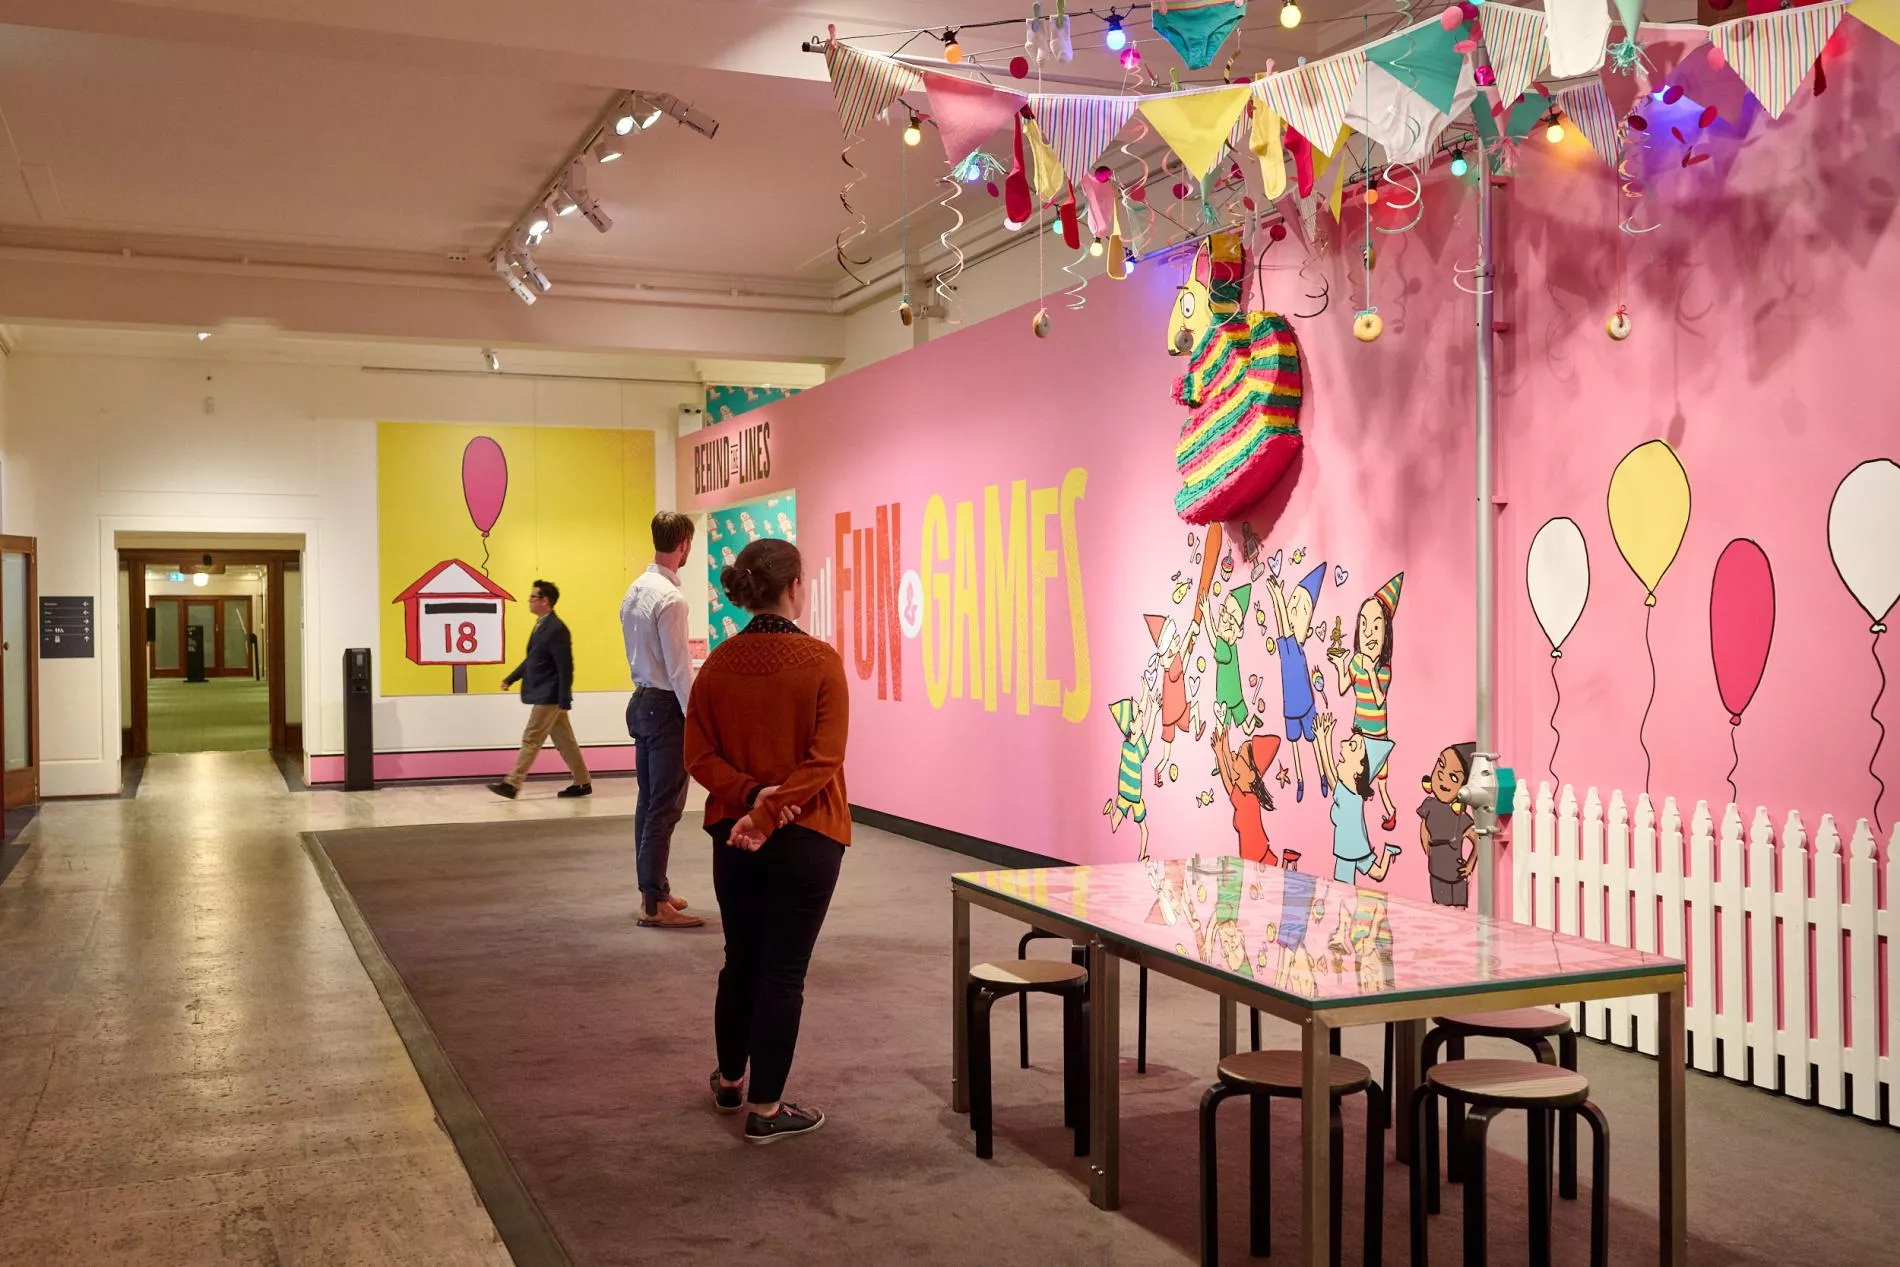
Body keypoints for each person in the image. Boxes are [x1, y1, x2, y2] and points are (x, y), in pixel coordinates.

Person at [685, 538, 850, 1145]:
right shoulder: (822, 661)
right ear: (795, 586)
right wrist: (775, 807)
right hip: (808, 834)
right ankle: (769, 1107)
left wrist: (751, 800)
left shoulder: (719, 664)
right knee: (783, 971)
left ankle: (730, 1081)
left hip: (734, 834)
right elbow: (825, 759)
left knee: (741, 960)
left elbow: (697, 754)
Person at [622, 512, 703, 928]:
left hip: (641, 702)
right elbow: (678, 669)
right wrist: (697, 718)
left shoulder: (636, 589)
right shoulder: (672, 599)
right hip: (665, 707)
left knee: (648, 802)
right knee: (664, 807)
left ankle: (654, 890)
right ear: (685, 543)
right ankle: (653, 903)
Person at [489, 579, 592, 800]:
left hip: (550, 695)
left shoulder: (556, 629)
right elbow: (532, 660)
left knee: (531, 738)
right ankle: (583, 782)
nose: (530, 600)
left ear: (545, 601)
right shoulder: (542, 626)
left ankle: (512, 783)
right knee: (566, 742)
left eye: (533, 597)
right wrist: (511, 678)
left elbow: (566, 665)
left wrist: (564, 698)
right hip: (549, 694)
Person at [1313, 711, 1401, 886]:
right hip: (1357, 843)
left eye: (1352, 746)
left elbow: (1330, 774)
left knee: (1341, 886)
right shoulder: (1352, 793)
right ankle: (1388, 852)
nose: (1343, 744)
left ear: (1360, 769)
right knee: (1376, 873)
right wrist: (1324, 738)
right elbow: (1332, 772)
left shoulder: (1348, 795)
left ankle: (1343, 911)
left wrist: (1323, 739)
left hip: (1348, 849)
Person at [1418, 742, 1480, 907]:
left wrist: (1469, 865)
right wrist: (1427, 846)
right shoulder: (1429, 805)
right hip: (1436, 873)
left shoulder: (1461, 817)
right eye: (1441, 765)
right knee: (1439, 907)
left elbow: (1477, 840)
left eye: (1453, 777)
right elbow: (1424, 826)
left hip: (1456, 876)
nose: (1442, 777)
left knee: (1459, 909)